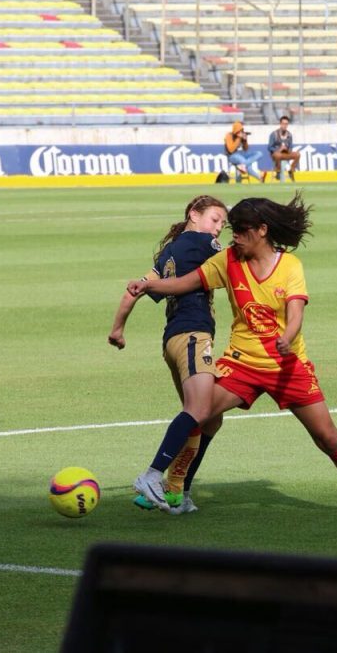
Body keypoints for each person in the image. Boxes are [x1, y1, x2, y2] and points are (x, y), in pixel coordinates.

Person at [128, 193, 337, 517]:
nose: (234, 236)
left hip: (288, 366)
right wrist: (148, 287)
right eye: (232, 229)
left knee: (328, 438)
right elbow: (184, 283)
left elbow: (295, 313)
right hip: (242, 363)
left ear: (262, 230)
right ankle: (173, 488)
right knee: (202, 411)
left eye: (241, 229)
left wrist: (288, 336)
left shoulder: (290, 266)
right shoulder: (227, 261)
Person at [110, 195, 229, 514]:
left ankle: (181, 491)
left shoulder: (168, 253)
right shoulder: (205, 243)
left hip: (174, 340)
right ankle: (152, 476)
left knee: (210, 419)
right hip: (193, 335)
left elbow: (135, 289)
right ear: (194, 215)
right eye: (215, 219)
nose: (219, 229)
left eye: (223, 224)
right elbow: (239, 260)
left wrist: (118, 328)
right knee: (200, 409)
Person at [267, 115, 301, 181]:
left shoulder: (289, 135)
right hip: (276, 154)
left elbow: (291, 146)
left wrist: (287, 150)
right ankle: (278, 171)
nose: (285, 125)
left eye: (286, 124)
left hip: (285, 154)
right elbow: (269, 147)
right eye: (283, 124)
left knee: (297, 154)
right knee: (277, 155)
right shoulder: (274, 134)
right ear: (280, 124)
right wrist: (279, 149)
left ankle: (291, 170)